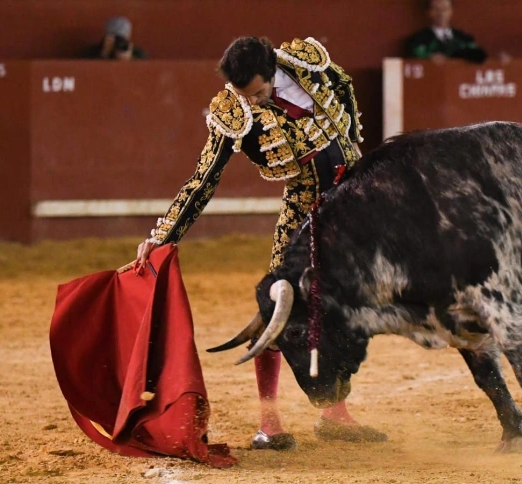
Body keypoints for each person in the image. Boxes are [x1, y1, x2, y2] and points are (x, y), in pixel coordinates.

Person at [134, 36, 386, 450]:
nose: (251, 102)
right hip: (305, 211)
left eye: (257, 92)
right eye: (244, 95)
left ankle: (335, 414)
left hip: (352, 207)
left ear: (272, 72)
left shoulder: (307, 64)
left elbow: (343, 88)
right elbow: (204, 179)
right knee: (277, 309)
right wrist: (163, 236)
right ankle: (269, 423)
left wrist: (356, 154)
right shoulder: (234, 111)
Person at [405, 0, 489, 64]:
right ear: (429, 12)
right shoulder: (418, 39)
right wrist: (429, 57)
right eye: (436, 9)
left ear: (451, 11)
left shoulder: (464, 38)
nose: (441, 14)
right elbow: (414, 54)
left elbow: (478, 56)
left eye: (444, 9)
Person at [82, 16, 146, 60]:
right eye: (114, 38)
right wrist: (104, 54)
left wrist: (129, 59)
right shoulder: (92, 52)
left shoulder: (137, 53)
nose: (117, 41)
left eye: (120, 38)